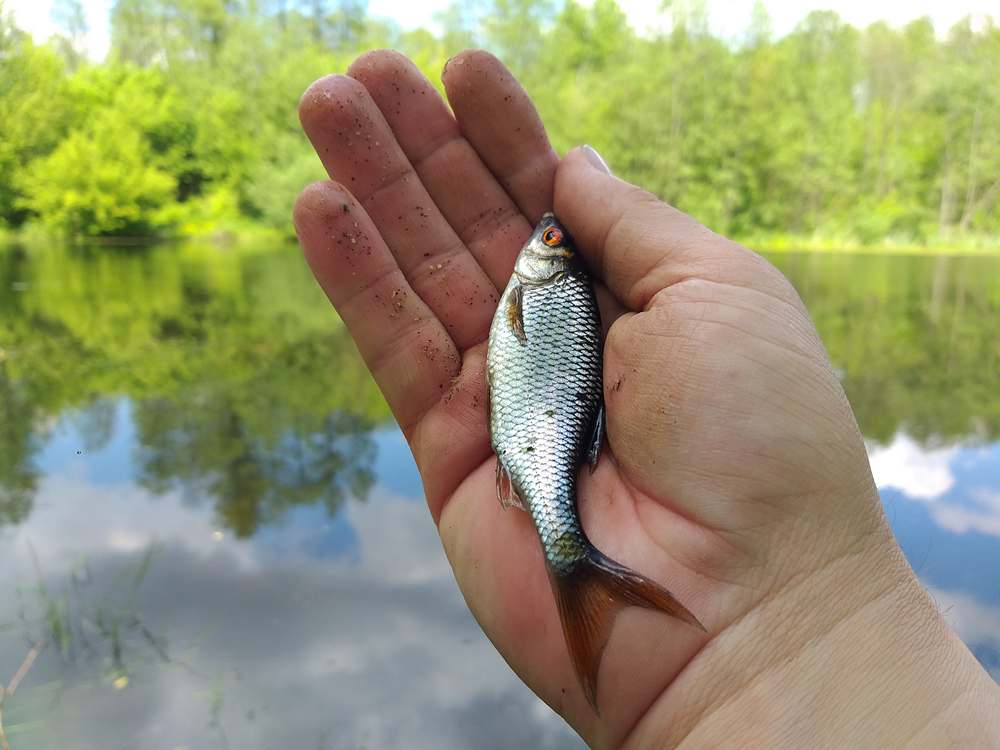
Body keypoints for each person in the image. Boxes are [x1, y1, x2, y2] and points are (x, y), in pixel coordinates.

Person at [293, 49, 1000, 748]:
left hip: (535, 442)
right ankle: (581, 571)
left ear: (547, 259)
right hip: (539, 436)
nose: (544, 239)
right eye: (549, 236)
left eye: (548, 238)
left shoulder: (539, 289)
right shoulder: (546, 286)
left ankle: (580, 572)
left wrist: (783, 619)